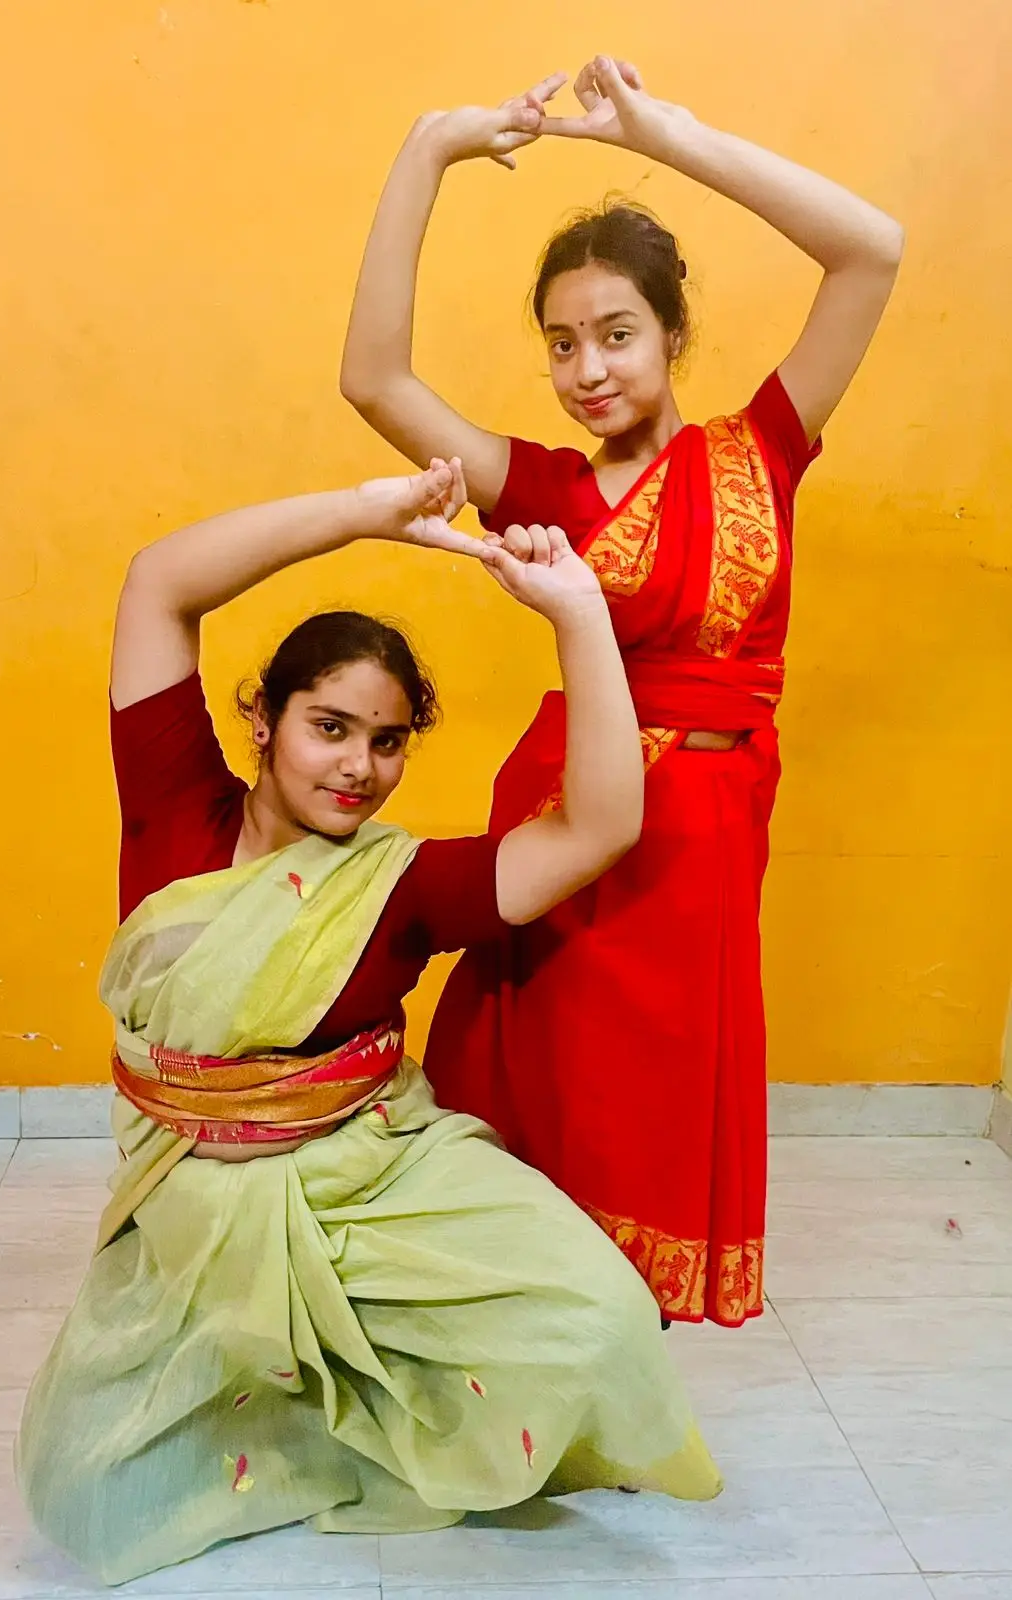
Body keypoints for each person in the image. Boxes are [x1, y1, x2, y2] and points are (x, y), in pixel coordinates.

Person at [15, 455, 722, 1585]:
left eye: (386, 741)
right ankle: (308, 1404)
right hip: (194, 1205)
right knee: (81, 1487)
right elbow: (158, 584)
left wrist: (579, 613)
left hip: (367, 1177)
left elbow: (597, 827)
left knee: (599, 1322)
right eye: (329, 727)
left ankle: (367, 1401)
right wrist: (367, 517)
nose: (357, 767)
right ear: (264, 716)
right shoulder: (168, 804)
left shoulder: (400, 885)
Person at [341, 57, 903, 1328]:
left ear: (668, 333)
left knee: (655, 1114)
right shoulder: (538, 487)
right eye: (558, 343)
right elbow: (373, 381)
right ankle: (535, 1348)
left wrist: (669, 136)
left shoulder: (759, 447)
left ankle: (611, 1363)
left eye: (614, 333)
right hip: (577, 836)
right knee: (558, 1099)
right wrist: (426, 153)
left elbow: (872, 250)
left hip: (705, 841)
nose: (585, 368)